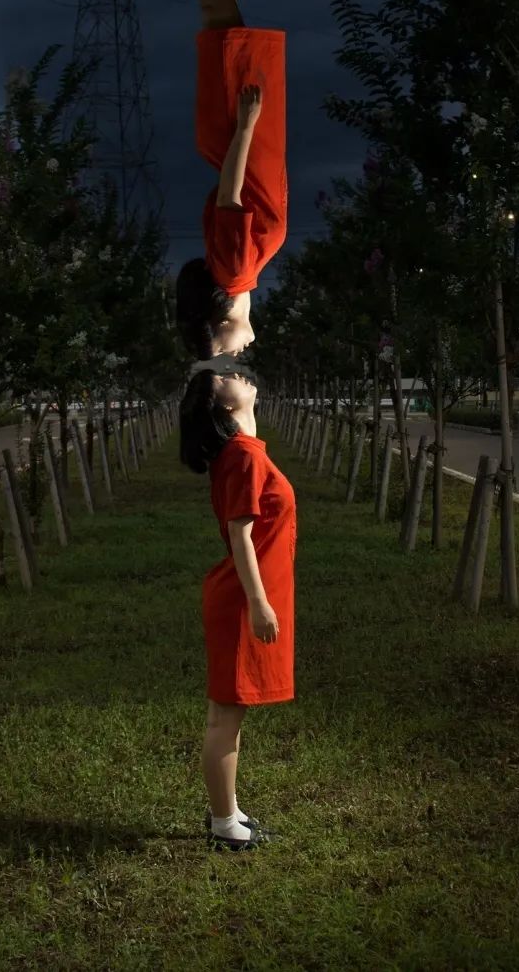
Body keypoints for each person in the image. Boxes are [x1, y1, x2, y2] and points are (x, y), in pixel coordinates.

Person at [180, 356, 297, 852]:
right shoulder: (244, 455)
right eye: (225, 377)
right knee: (224, 719)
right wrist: (259, 602)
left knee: (229, 716)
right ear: (221, 402)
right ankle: (224, 823)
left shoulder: (246, 450)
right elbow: (239, 534)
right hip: (242, 600)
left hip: (243, 596)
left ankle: (229, 811)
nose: (237, 376)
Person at [176, 0, 288, 360]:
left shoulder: (235, 271)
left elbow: (230, 198)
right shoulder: (244, 271)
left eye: (230, 348)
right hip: (244, 130)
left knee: (220, 11)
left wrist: (245, 126)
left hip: (240, 126)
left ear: (219, 324)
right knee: (226, 12)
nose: (246, 343)